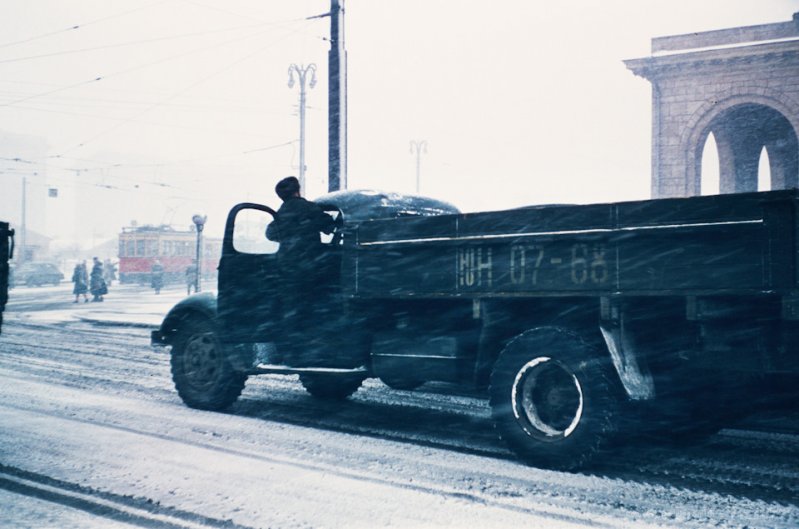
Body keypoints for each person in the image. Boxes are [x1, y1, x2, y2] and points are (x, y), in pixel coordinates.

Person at [266, 176, 336, 364]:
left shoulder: (281, 214)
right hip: (311, 269)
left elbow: (270, 233)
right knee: (312, 310)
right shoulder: (310, 208)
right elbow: (331, 226)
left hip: (287, 269)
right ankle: (311, 351)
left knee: (290, 311)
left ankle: (289, 353)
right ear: (298, 190)